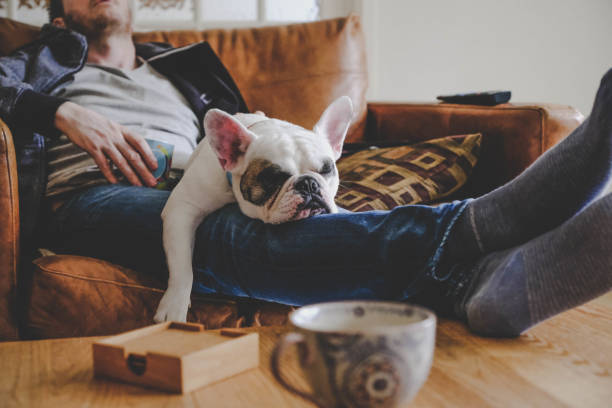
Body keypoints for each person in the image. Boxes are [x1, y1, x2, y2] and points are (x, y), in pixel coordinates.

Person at [1, 0, 610, 338]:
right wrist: (63, 112)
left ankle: (478, 290)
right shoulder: (37, 64)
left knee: (276, 224)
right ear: (58, 19)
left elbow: (245, 156)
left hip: (185, 174)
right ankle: (486, 223)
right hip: (91, 195)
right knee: (228, 236)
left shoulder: (180, 69)